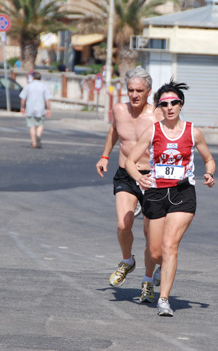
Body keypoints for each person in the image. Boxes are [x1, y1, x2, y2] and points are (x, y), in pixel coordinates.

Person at [125, 80, 216, 317]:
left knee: (170, 246)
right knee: (156, 253)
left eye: (174, 102)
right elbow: (129, 161)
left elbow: (209, 159)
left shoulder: (193, 132)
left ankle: (164, 299)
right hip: (155, 192)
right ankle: (160, 269)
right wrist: (138, 177)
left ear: (181, 104)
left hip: (182, 193)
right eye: (164, 104)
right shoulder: (153, 131)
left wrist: (209, 173)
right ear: (159, 108)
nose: (170, 107)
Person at [96, 67, 163, 303]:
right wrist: (105, 156)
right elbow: (115, 131)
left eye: (139, 91)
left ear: (149, 91)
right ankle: (127, 261)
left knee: (149, 234)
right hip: (126, 173)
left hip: (152, 177)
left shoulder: (157, 115)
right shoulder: (119, 110)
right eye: (131, 90)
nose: (134, 95)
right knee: (123, 224)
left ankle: (147, 281)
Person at [19, 71, 51, 148]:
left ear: (33, 78)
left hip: (30, 109)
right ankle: (38, 136)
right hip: (40, 109)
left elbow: (23, 98)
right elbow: (47, 99)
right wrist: (48, 109)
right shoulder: (43, 86)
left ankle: (34, 143)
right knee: (40, 125)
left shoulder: (28, 86)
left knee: (32, 126)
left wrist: (22, 107)